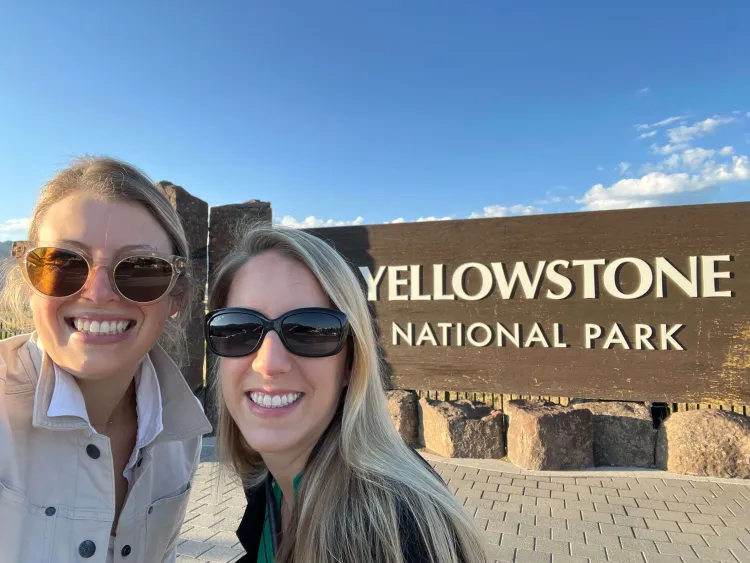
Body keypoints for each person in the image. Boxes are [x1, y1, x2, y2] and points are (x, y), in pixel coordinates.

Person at [205, 224, 488, 563]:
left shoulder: (393, 532)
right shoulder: (269, 486)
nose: (269, 363)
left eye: (310, 330)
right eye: (238, 328)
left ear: (351, 362)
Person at [0, 157, 212, 562]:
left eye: (140, 269)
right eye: (62, 264)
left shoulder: (181, 434)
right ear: (29, 282)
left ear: (176, 296)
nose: (97, 292)